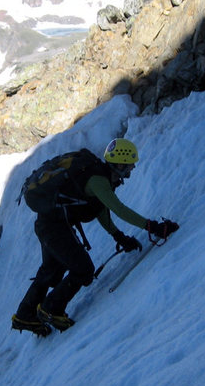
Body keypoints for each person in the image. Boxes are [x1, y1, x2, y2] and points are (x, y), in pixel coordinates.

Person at [11, 138, 179, 336]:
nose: (131, 169)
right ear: (119, 164)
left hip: (48, 223)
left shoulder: (96, 174)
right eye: (129, 165)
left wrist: (119, 236)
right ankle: (51, 309)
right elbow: (119, 209)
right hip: (54, 227)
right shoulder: (99, 180)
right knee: (83, 269)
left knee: (52, 270)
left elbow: (99, 209)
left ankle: (25, 315)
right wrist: (153, 227)